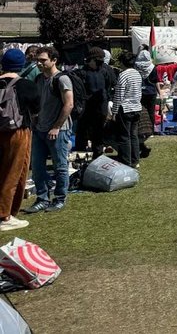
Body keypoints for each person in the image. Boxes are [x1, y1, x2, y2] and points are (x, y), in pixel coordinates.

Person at [24, 47, 73, 214]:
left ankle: (60, 198)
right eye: (38, 60)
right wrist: (35, 120)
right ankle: (42, 198)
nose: (39, 63)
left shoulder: (62, 79)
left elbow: (69, 104)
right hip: (39, 128)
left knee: (60, 166)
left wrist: (57, 127)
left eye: (43, 60)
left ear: (54, 60)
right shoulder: (38, 79)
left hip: (58, 130)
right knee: (37, 166)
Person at [1, 49, 39, 231]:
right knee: (14, 172)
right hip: (17, 131)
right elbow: (36, 108)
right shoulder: (25, 85)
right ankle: (5, 215)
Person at [78, 47, 116, 159]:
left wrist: (109, 99)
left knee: (98, 132)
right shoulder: (82, 71)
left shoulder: (107, 70)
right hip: (86, 106)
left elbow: (112, 84)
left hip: (101, 105)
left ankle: (98, 155)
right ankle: (80, 156)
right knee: (82, 131)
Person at [112, 49, 147, 168]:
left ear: (123, 62)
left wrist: (114, 111)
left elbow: (119, 94)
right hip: (136, 107)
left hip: (125, 108)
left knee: (124, 136)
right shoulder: (137, 74)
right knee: (134, 135)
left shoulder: (123, 75)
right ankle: (135, 159)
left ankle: (126, 160)